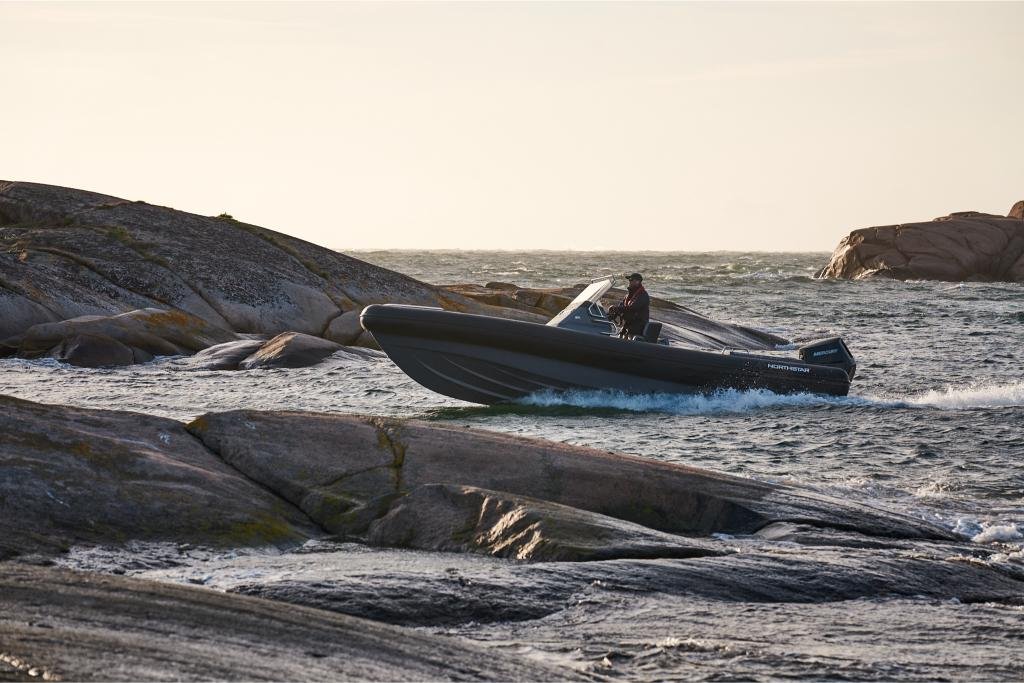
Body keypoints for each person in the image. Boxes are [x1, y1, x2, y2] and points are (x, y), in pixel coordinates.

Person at [608, 272, 650, 338]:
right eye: (629, 280)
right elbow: (622, 305)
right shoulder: (629, 295)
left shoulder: (643, 295)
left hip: (638, 325)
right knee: (620, 334)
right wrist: (614, 310)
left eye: (631, 280)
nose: (629, 282)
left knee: (628, 336)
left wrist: (618, 308)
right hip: (628, 324)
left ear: (637, 282)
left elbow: (633, 307)